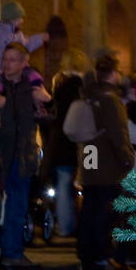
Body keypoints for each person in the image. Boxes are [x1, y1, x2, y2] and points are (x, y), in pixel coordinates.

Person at [0, 42, 52, 270]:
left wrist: (46, 102)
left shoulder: (32, 88)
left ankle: (13, 252)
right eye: (5, 59)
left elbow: (48, 117)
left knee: (17, 204)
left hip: (23, 154)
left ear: (23, 63)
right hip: (0, 153)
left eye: (13, 60)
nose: (8, 64)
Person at [77, 48, 135, 270]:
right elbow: (118, 133)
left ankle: (86, 254)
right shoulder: (111, 99)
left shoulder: (88, 95)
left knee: (90, 205)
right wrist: (127, 158)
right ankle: (101, 255)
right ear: (112, 74)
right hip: (107, 161)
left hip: (89, 155)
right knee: (104, 209)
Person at [47, 50, 89, 240]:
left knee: (63, 184)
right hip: (85, 143)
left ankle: (65, 225)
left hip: (62, 141)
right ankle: (82, 224)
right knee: (88, 182)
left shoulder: (60, 85)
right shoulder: (83, 87)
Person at [0, 0, 49, 75]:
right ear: (12, 19)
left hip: (11, 74)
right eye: (20, 18)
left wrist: (39, 38)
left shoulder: (18, 34)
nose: (22, 21)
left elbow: (25, 48)